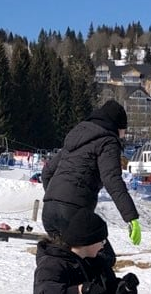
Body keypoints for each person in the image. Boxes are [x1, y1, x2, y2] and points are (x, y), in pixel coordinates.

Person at [41, 100, 141, 261]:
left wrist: (56, 198)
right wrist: (131, 217)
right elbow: (111, 179)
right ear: (118, 126)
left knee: (64, 260)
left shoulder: (75, 137)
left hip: (49, 211)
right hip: (74, 212)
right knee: (103, 258)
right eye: (124, 130)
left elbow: (46, 172)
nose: (123, 135)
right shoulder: (108, 141)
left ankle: (60, 286)